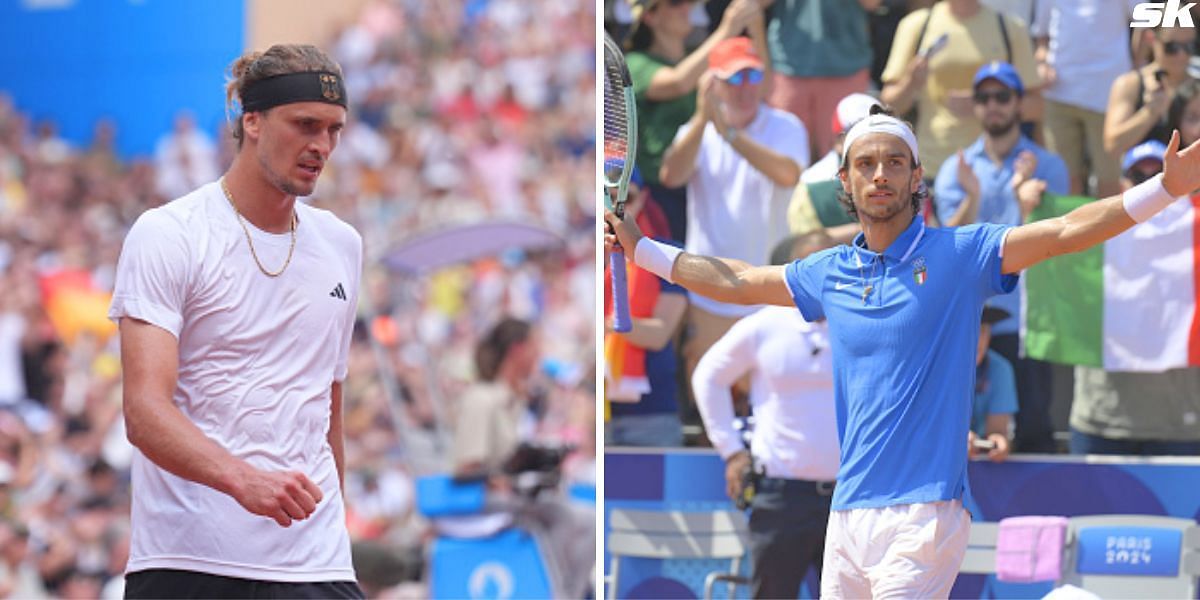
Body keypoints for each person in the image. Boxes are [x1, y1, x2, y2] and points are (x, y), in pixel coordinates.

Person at [605, 103, 1200, 596]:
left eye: (895, 162)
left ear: (917, 177)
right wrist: (644, 251)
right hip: (848, 511)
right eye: (865, 164)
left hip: (925, 514)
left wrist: (1163, 189)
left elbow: (1065, 232)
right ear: (846, 181)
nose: (880, 174)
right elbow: (734, 279)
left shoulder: (962, 254)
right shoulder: (827, 272)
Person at [109, 45, 365, 598]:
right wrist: (241, 479)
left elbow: (327, 406)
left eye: (334, 130)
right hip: (189, 560)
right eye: (304, 125)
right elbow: (143, 411)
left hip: (315, 565)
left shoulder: (343, 245)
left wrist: (333, 530)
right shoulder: (169, 234)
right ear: (252, 121)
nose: (321, 146)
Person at [658, 35, 809, 445]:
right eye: (733, 78)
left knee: (771, 394)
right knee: (710, 391)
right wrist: (703, 121)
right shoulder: (697, 130)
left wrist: (729, 136)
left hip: (770, 284)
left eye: (751, 75)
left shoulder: (784, 125)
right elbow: (671, 175)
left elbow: (788, 173)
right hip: (712, 287)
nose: (743, 87)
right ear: (714, 84)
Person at [692, 231, 839, 599]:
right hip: (780, 495)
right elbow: (708, 376)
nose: (821, 274)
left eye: (829, 264)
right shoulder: (764, 325)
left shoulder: (858, 321)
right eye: (810, 264)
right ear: (791, 272)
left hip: (848, 498)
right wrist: (732, 451)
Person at [934, 61, 1068, 452]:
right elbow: (947, 240)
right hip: (973, 320)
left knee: (1034, 427)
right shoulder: (954, 168)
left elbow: (1058, 238)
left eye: (1002, 96)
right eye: (984, 97)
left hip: (1027, 318)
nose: (993, 105)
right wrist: (973, 196)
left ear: (1019, 103)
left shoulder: (1050, 165)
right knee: (968, 431)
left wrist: (1023, 198)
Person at [1067, 132, 1200, 457]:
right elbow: (1043, 255)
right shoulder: (1088, 235)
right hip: (1101, 420)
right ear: (1121, 183)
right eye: (1138, 176)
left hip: (1180, 424)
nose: (1151, 185)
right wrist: (1028, 205)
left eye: (1160, 176)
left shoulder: (1193, 236)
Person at [449, 317, 595, 600]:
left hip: (514, 493)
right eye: (535, 347)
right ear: (518, 350)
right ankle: (557, 592)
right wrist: (505, 481)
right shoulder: (482, 398)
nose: (539, 356)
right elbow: (466, 467)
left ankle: (570, 592)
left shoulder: (514, 400)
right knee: (561, 516)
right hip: (481, 499)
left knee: (587, 518)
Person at [624, 0, 763, 243]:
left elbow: (759, 88)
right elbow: (678, 82)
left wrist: (755, 28)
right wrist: (727, 29)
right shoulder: (636, 63)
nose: (686, 8)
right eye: (675, 3)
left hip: (708, 183)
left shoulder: (696, 56)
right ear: (650, 16)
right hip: (664, 193)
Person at [880, 0, 1042, 180]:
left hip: (998, 171)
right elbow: (889, 107)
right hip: (931, 167)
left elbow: (1036, 106)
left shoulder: (1010, 27)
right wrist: (911, 82)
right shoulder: (915, 25)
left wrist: (984, 103)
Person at [604, 169, 688, 447]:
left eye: (626, 199)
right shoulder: (585, 256)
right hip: (595, 412)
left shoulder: (666, 255)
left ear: (644, 198)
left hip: (651, 414)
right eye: (607, 199)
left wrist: (610, 323)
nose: (616, 209)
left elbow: (658, 334)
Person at [1031, 0, 1139, 198]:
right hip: (1058, 95)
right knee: (1065, 182)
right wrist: (1042, 62)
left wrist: (1137, 67)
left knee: (1110, 184)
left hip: (1108, 95)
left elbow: (1143, 21)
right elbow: (1042, 36)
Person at [759, 0, 879, 159]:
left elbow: (872, 3)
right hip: (788, 69)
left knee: (847, 160)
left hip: (846, 67)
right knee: (783, 157)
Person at [1104, 25, 1197, 161]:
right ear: (1151, 39)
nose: (1181, 54)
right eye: (1172, 47)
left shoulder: (1197, 85)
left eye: (1189, 46)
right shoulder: (1130, 84)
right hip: (1141, 177)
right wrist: (1150, 112)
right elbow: (1112, 146)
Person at [970, 305, 1016, 463]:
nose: (977, 339)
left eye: (983, 330)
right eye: (970, 328)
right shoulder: (934, 367)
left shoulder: (1001, 369)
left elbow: (997, 431)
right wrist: (951, 440)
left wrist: (998, 441)